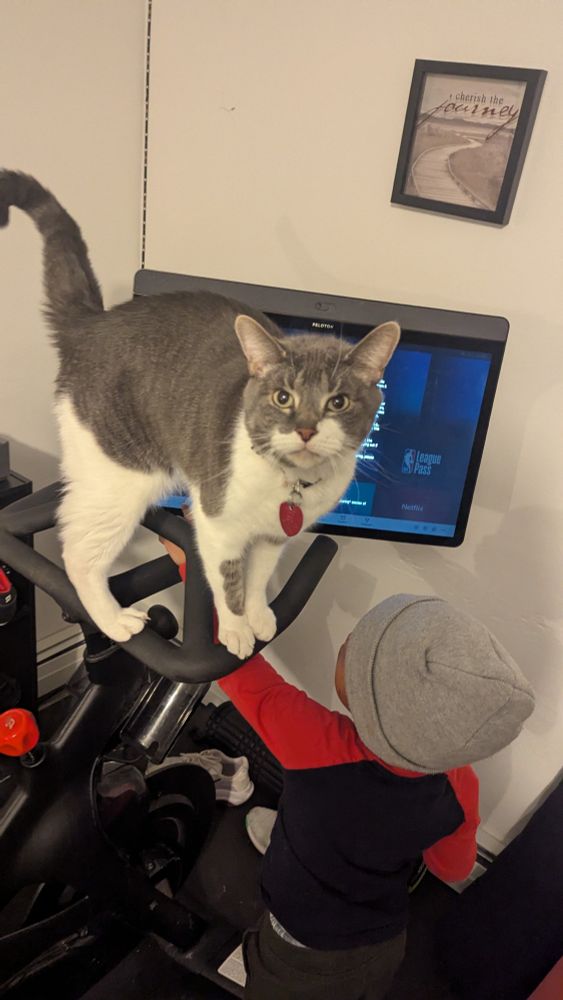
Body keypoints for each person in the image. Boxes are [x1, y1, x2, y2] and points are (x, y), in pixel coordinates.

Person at [161, 536, 535, 1000]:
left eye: (355, 644)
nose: (346, 640)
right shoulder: (460, 783)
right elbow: (453, 865)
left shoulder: (316, 744)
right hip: (380, 942)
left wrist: (195, 566)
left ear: (371, 702)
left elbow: (232, 661)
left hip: (298, 952)